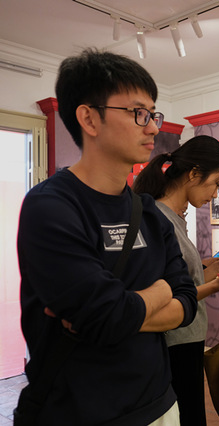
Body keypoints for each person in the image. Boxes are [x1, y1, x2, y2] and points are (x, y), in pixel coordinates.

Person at [16, 48, 198, 425]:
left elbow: (187, 302)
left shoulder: (148, 212)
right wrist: (161, 290)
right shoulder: (50, 207)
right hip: (79, 412)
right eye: (138, 113)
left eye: (153, 114)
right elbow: (108, 316)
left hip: (161, 404)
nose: (153, 128)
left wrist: (119, 311)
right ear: (89, 118)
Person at [132, 135, 219, 426]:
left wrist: (216, 268)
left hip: (188, 336)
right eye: (216, 183)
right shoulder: (158, 218)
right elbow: (168, 295)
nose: (215, 194)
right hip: (174, 340)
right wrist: (217, 285)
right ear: (194, 174)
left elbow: (185, 283)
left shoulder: (174, 218)